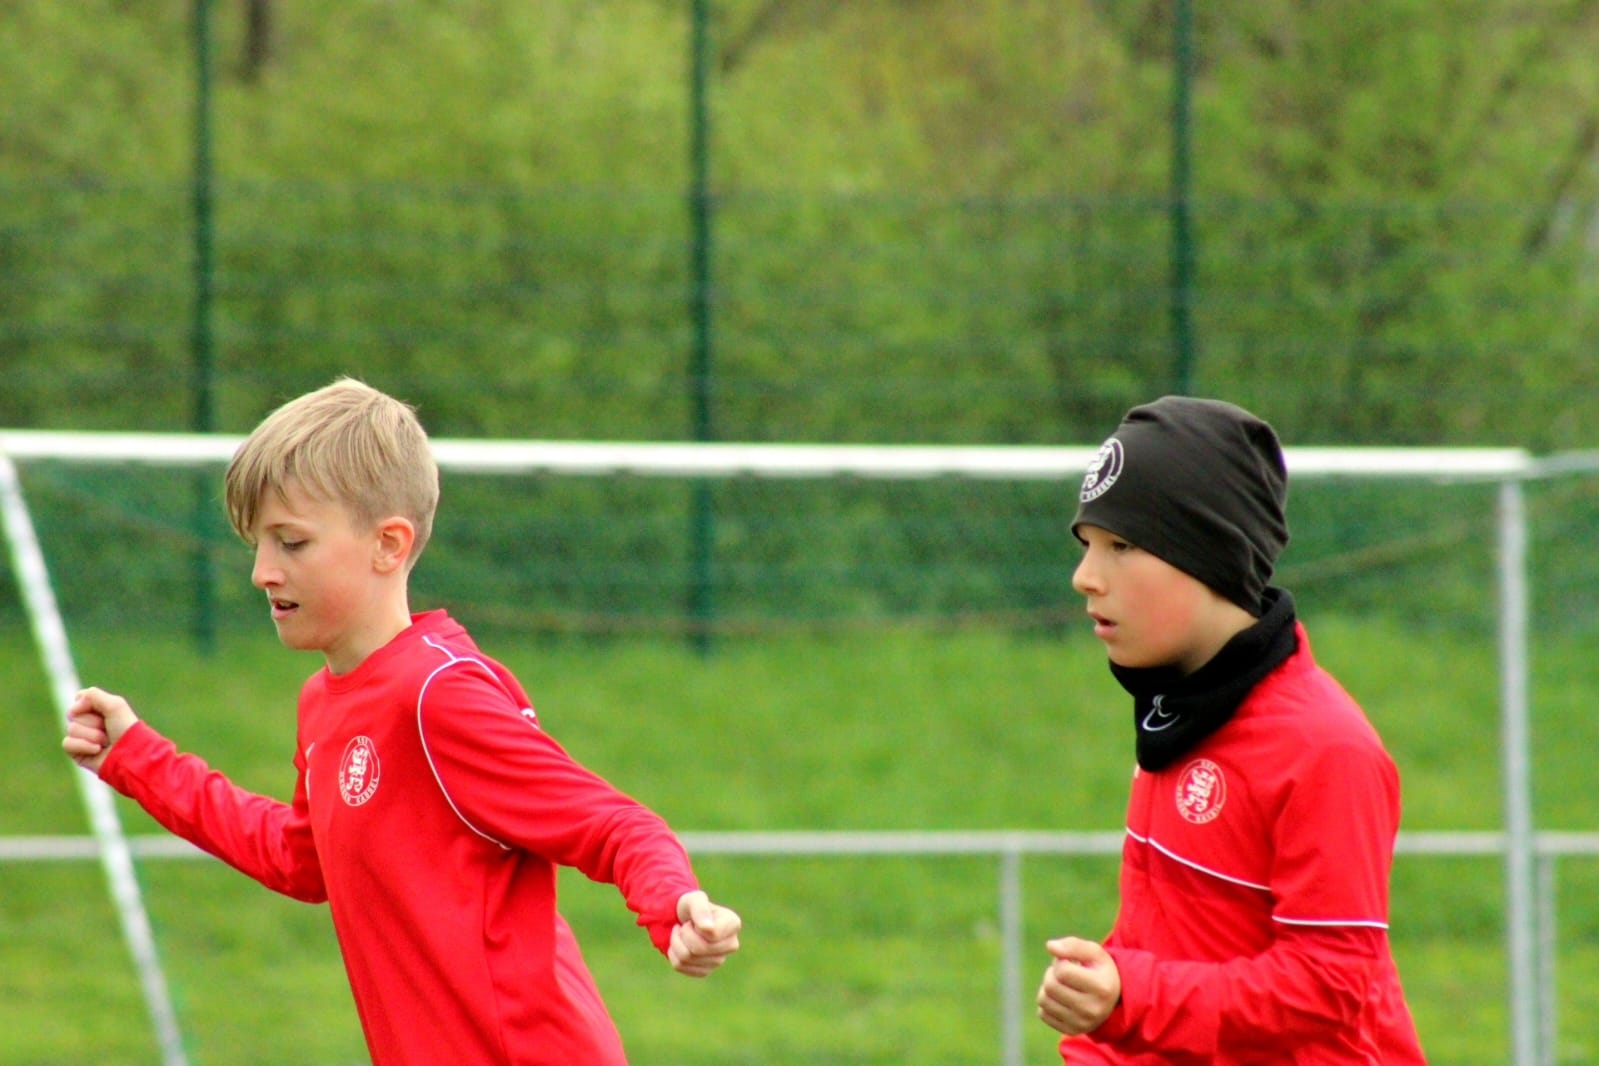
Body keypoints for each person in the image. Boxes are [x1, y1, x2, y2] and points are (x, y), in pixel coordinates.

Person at [63, 378, 741, 1066]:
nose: (262, 572)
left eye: (291, 543)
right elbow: (300, 859)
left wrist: (673, 905)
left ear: (388, 544)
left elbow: (614, 824)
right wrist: (137, 757)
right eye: (256, 545)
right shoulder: (325, 701)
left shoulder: (438, 696)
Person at [1037, 396, 1426, 1064]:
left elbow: (1328, 986)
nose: (1085, 578)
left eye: (1121, 546)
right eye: (1087, 546)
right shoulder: (1178, 712)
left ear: (1208, 556)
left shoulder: (1325, 748)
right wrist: (1101, 1021)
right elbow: (1156, 948)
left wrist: (1129, 996)